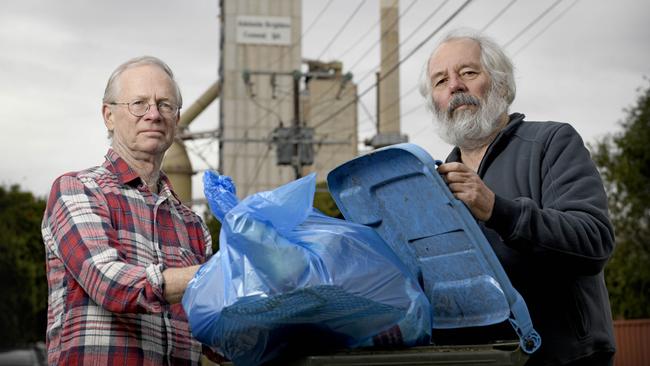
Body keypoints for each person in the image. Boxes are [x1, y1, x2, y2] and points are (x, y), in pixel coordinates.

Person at [419, 30, 616, 365]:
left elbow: (594, 241)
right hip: (481, 357)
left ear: (501, 84)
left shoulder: (552, 142)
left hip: (565, 357)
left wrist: (497, 210)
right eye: (440, 81)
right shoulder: (433, 183)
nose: (454, 87)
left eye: (468, 72)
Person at [42, 56, 214, 365]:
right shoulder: (78, 190)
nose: (153, 115)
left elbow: (213, 333)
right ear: (108, 115)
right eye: (139, 103)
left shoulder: (193, 226)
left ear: (176, 119)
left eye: (165, 105)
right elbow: (110, 284)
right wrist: (217, 273)